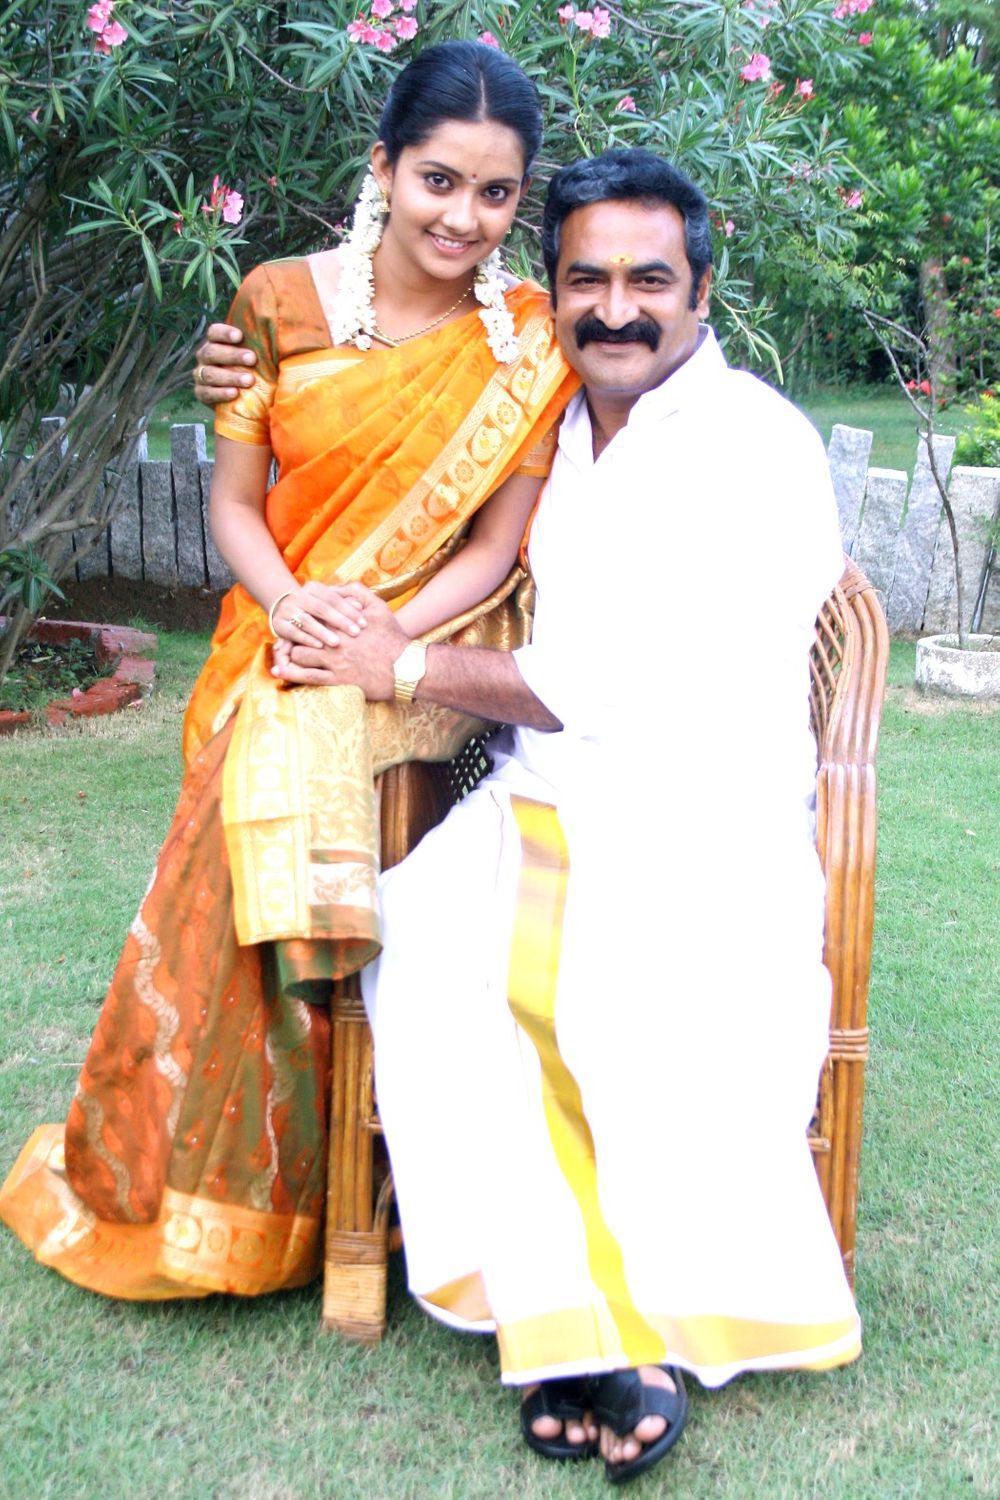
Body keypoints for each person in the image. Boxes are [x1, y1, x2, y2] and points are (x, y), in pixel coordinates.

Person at [267, 149, 862, 1484]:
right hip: (549, 796)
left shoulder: (747, 443)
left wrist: (399, 666)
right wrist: (241, 373)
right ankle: (572, 1321)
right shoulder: (566, 424)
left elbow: (602, 683)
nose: (616, 307)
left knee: (591, 988)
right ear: (552, 288)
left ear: (701, 291)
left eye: (650, 279)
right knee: (421, 934)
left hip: (698, 822)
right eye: (586, 279)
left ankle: (586, 1335)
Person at [0, 41, 577, 1304]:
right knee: (265, 760)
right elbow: (234, 504)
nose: (462, 217)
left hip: (427, 639)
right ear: (383, 167)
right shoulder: (274, 300)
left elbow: (494, 548)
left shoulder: (531, 342)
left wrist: (380, 640)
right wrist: (298, 612)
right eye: (437, 180)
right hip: (274, 625)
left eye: (494, 194)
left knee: (288, 758)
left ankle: (314, 1193)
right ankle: (219, 1189)